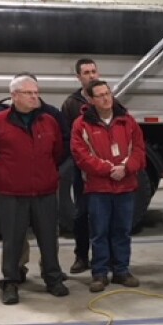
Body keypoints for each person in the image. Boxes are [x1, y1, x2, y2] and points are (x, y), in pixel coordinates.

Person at [0, 74, 68, 305]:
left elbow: (57, 152)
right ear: (14, 95)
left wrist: (45, 174)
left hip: (45, 193)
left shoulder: (48, 121)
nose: (34, 97)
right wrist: (4, 177)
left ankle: (53, 278)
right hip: (13, 194)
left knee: (48, 238)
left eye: (36, 92)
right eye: (29, 93)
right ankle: (10, 282)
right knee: (12, 240)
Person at [72, 80, 146, 292]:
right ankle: (100, 273)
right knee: (99, 231)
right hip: (98, 189)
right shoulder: (82, 125)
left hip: (125, 187)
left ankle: (121, 270)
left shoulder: (128, 121)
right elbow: (82, 156)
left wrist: (126, 168)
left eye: (108, 93)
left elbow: (140, 150)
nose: (106, 98)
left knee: (122, 231)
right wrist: (108, 170)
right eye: (100, 95)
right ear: (90, 99)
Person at [61, 57, 100, 274]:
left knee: (102, 215)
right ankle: (81, 256)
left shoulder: (107, 99)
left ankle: (102, 258)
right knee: (81, 214)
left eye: (93, 71)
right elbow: (67, 138)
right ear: (79, 77)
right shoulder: (71, 104)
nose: (91, 75)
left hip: (104, 171)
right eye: (86, 72)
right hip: (82, 170)